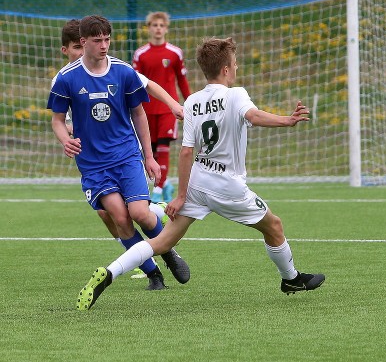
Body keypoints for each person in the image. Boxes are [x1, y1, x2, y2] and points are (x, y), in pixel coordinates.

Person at [76, 37, 325, 311]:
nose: (236, 68)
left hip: (197, 182)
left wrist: (181, 196)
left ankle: (110, 272)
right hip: (227, 186)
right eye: (235, 64)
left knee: (161, 242)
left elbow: (186, 153)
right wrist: (287, 120)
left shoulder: (193, 101)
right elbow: (253, 116)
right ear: (226, 70)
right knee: (274, 226)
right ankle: (291, 279)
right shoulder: (236, 94)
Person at [48, 15, 190, 299]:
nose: (104, 45)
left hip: (126, 155)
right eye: (97, 40)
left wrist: (149, 156)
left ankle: (167, 250)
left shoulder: (123, 71)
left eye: (107, 40)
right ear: (83, 42)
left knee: (140, 213)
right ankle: (153, 273)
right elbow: (57, 120)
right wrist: (66, 140)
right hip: (93, 165)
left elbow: (139, 112)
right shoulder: (65, 78)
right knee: (120, 218)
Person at [132, 11, 191, 203]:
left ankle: (157, 191)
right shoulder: (140, 54)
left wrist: (189, 103)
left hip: (167, 108)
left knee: (164, 147)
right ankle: (165, 184)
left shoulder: (175, 53)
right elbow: (135, 83)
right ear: (148, 28)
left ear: (166, 28)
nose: (158, 28)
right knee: (152, 151)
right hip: (147, 110)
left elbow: (182, 80)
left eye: (161, 25)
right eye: (154, 25)